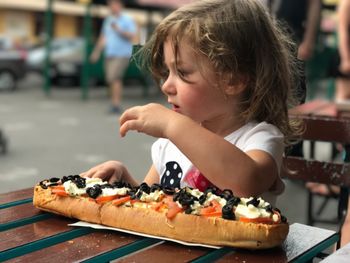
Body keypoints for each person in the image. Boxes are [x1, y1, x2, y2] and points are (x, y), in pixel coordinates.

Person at [81, 0, 301, 206]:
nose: (166, 85)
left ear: (232, 80)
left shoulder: (260, 138)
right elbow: (151, 203)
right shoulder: (171, 143)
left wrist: (172, 126)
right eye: (168, 72)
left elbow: (246, 184)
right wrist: (124, 183)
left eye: (183, 72)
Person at [90, 0, 136, 113]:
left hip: (121, 54)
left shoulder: (127, 19)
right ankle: (113, 103)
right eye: (110, 5)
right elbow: (103, 37)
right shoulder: (108, 20)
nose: (112, 7)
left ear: (120, 5)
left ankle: (116, 104)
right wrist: (96, 52)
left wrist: (119, 29)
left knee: (115, 78)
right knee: (110, 79)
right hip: (109, 54)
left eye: (114, 4)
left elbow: (132, 35)